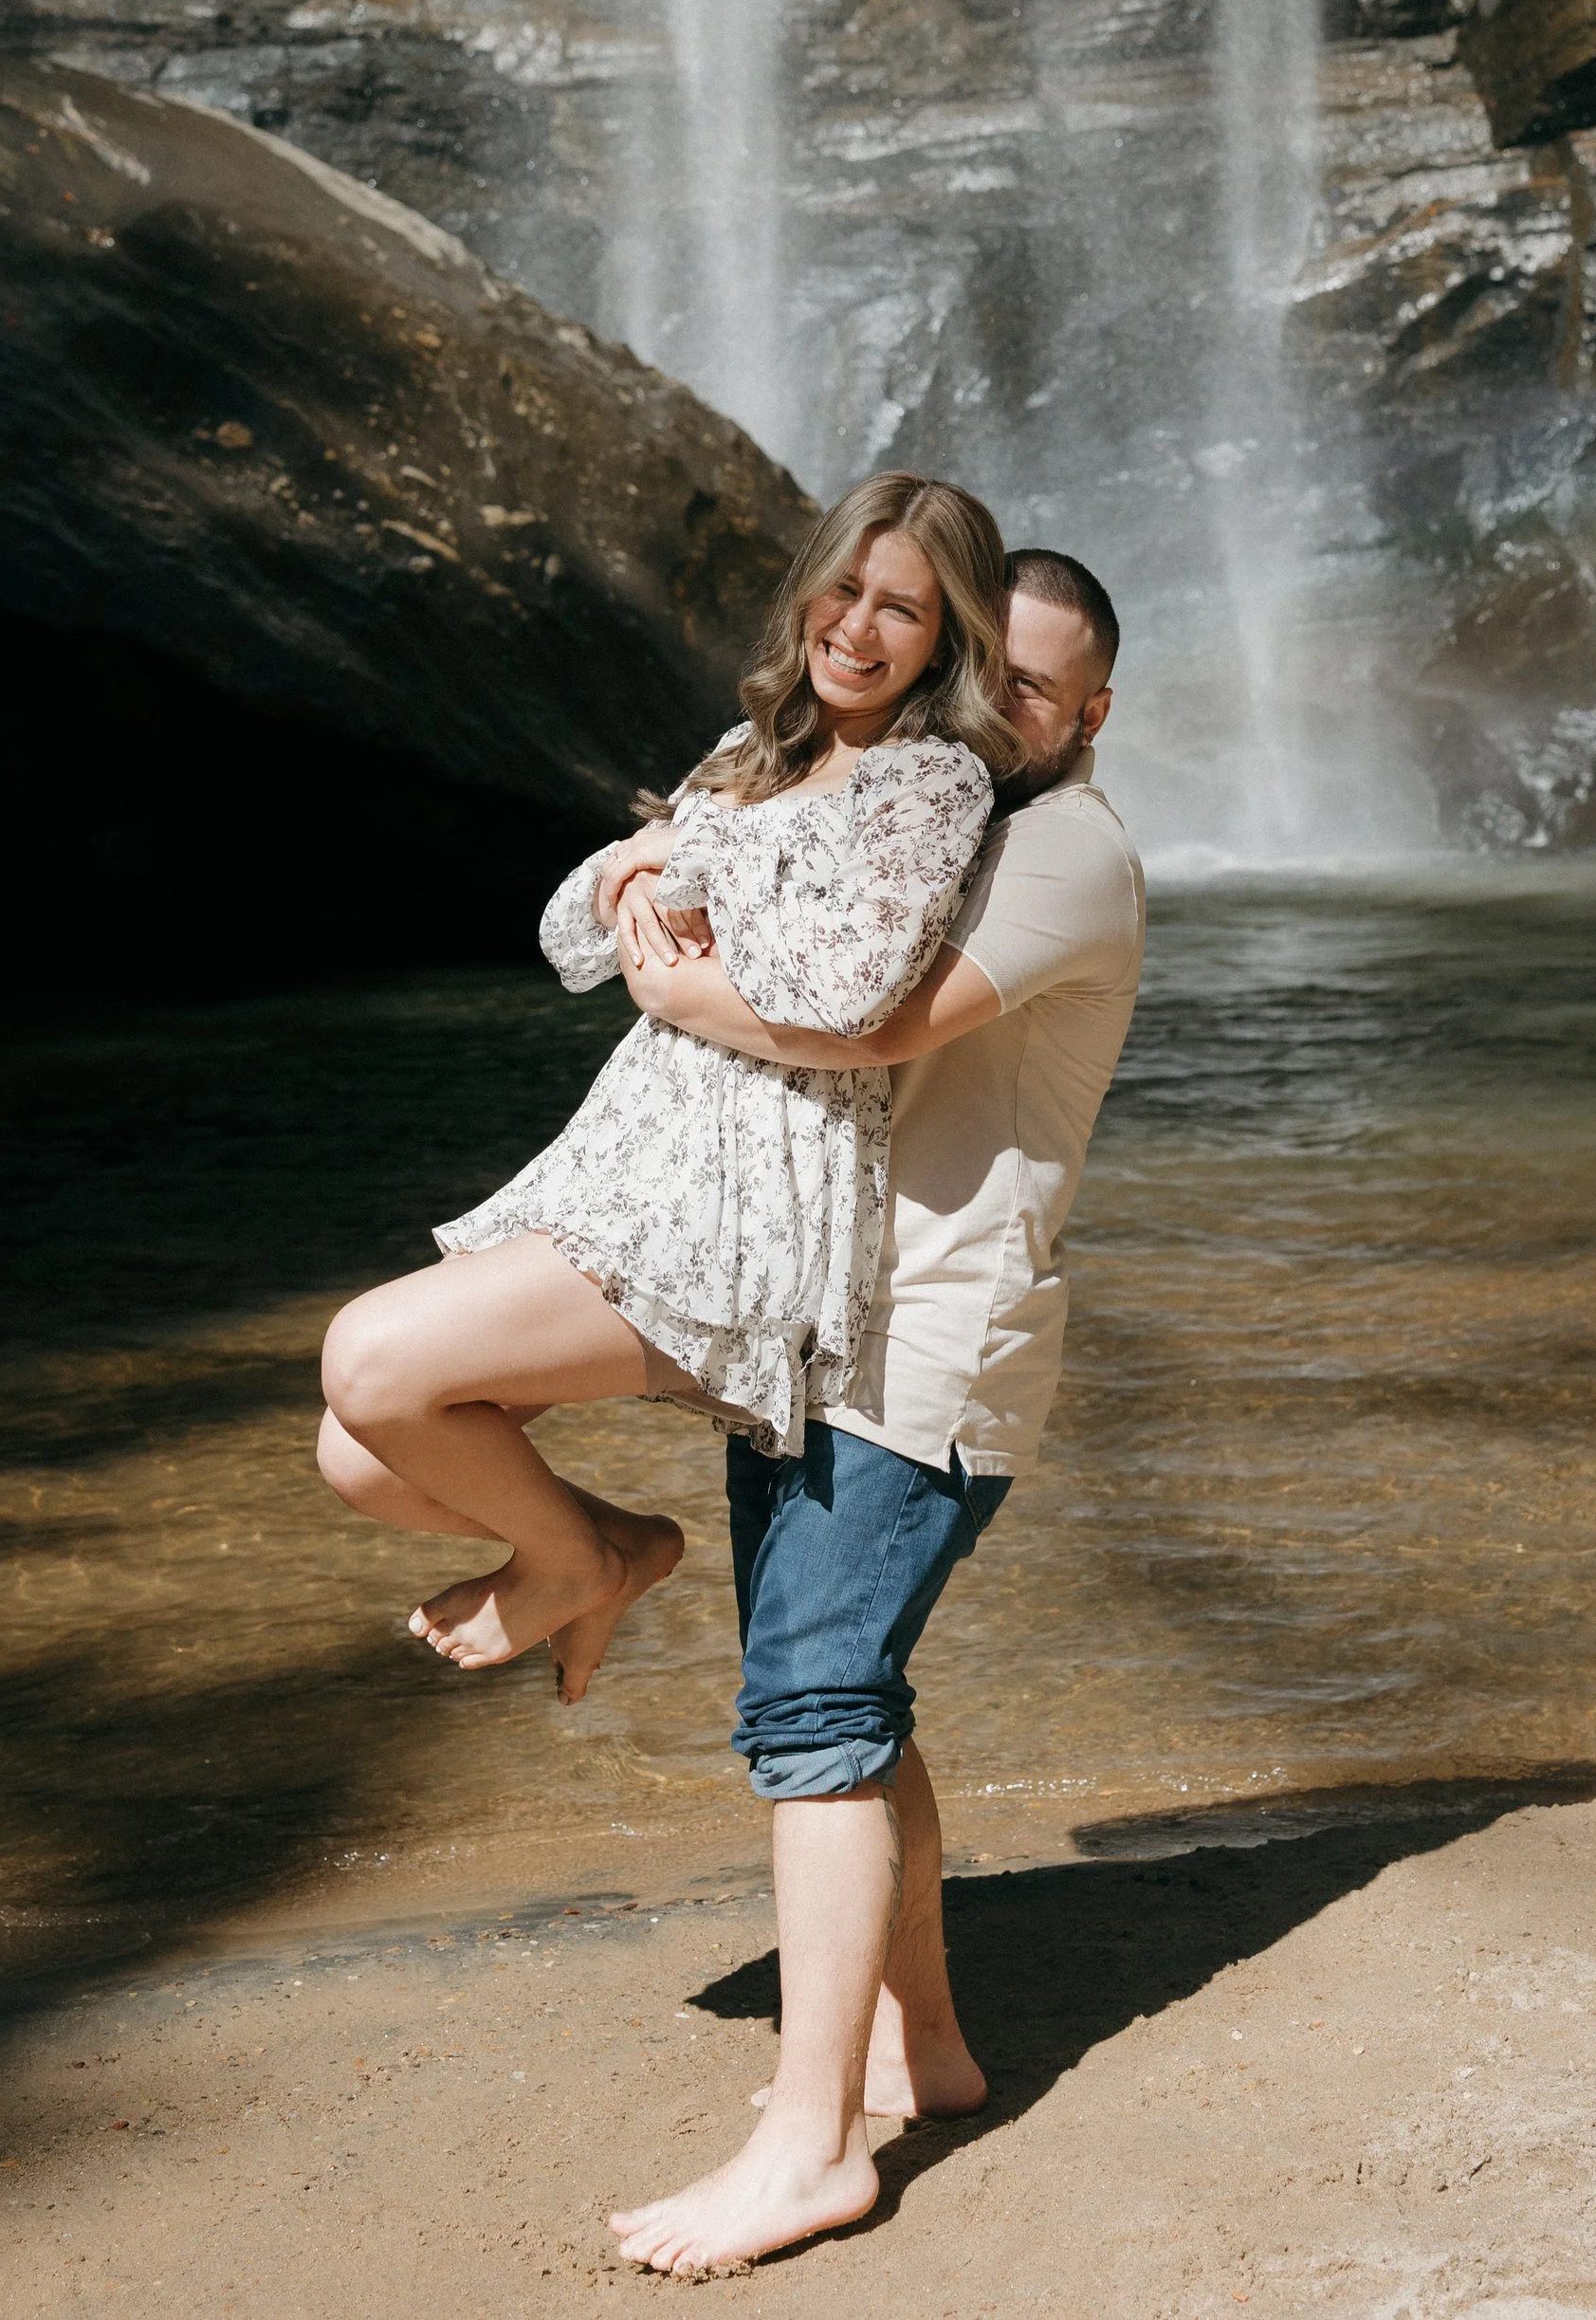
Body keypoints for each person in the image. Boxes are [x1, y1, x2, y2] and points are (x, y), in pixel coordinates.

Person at [595, 547, 1146, 2276]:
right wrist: (657, 864)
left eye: (1039, 693)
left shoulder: (1065, 847)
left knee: (814, 1700)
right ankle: (928, 2042)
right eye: (990, 681)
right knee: (845, 1689)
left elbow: (864, 1020)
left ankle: (812, 2137)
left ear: (1093, 713)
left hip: (931, 1346)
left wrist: (664, 966)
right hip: (819, 1319)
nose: (1005, 715)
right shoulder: (927, 805)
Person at [314, 472, 1020, 1707]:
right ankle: (610, 1550)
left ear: (947, 635)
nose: (856, 628)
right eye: (844, 589)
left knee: (371, 1360)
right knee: (360, 1452)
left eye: (899, 610)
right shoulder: (757, 750)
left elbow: (843, 988)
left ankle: (582, 1559)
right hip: (618, 1168)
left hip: (742, 1201)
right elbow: (567, 930)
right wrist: (635, 884)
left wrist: (677, 891)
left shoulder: (932, 779)